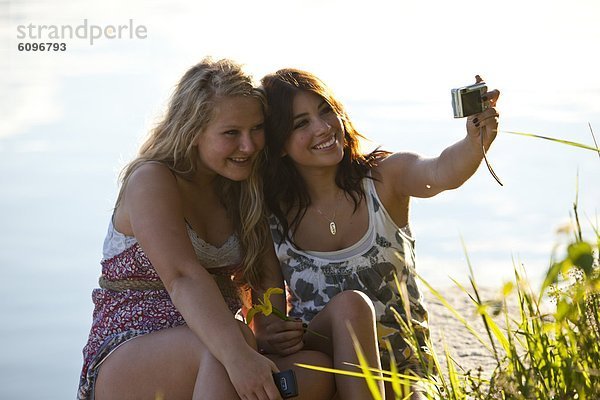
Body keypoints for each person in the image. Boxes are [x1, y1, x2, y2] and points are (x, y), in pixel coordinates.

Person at [78, 58, 333, 400]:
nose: (249, 146)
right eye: (232, 133)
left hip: (222, 344)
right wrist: (240, 354)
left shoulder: (244, 187)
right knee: (224, 353)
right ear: (193, 131)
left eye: (256, 129)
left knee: (320, 371)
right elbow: (182, 276)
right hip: (130, 349)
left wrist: (269, 331)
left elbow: (264, 295)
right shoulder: (152, 180)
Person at [258, 69, 500, 399]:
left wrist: (474, 142)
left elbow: (441, 171)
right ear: (280, 144)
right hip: (323, 361)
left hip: (403, 368)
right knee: (350, 308)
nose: (323, 127)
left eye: (325, 110)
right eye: (301, 123)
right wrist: (272, 334)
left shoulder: (385, 179)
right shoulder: (273, 217)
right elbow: (269, 319)